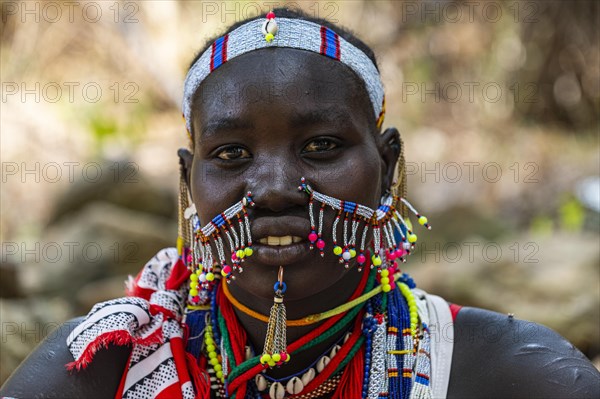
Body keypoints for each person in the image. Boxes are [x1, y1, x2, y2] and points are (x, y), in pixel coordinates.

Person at [1, 8, 599, 399]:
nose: (275, 188)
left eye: (321, 146)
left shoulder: (496, 373)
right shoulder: (104, 365)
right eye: (232, 154)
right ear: (189, 181)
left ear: (386, 166)